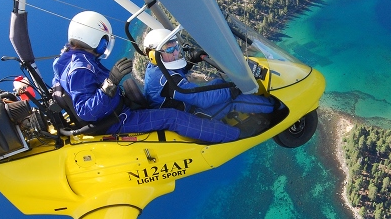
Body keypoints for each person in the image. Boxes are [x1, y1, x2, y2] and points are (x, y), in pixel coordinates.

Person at [51, 11, 240, 144]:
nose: (104, 47)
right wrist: (111, 82)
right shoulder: (80, 68)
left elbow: (62, 84)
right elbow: (86, 111)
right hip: (118, 121)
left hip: (116, 111)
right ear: (91, 39)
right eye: (103, 41)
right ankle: (235, 136)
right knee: (173, 117)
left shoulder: (66, 59)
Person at [142, 28, 276, 122]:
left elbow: (176, 75)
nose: (175, 52)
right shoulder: (166, 82)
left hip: (182, 107)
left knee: (218, 83)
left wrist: (191, 61)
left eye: (175, 47)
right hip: (188, 117)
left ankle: (257, 104)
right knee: (233, 99)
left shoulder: (155, 67)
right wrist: (235, 89)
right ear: (154, 55)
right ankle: (275, 107)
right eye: (170, 49)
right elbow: (203, 99)